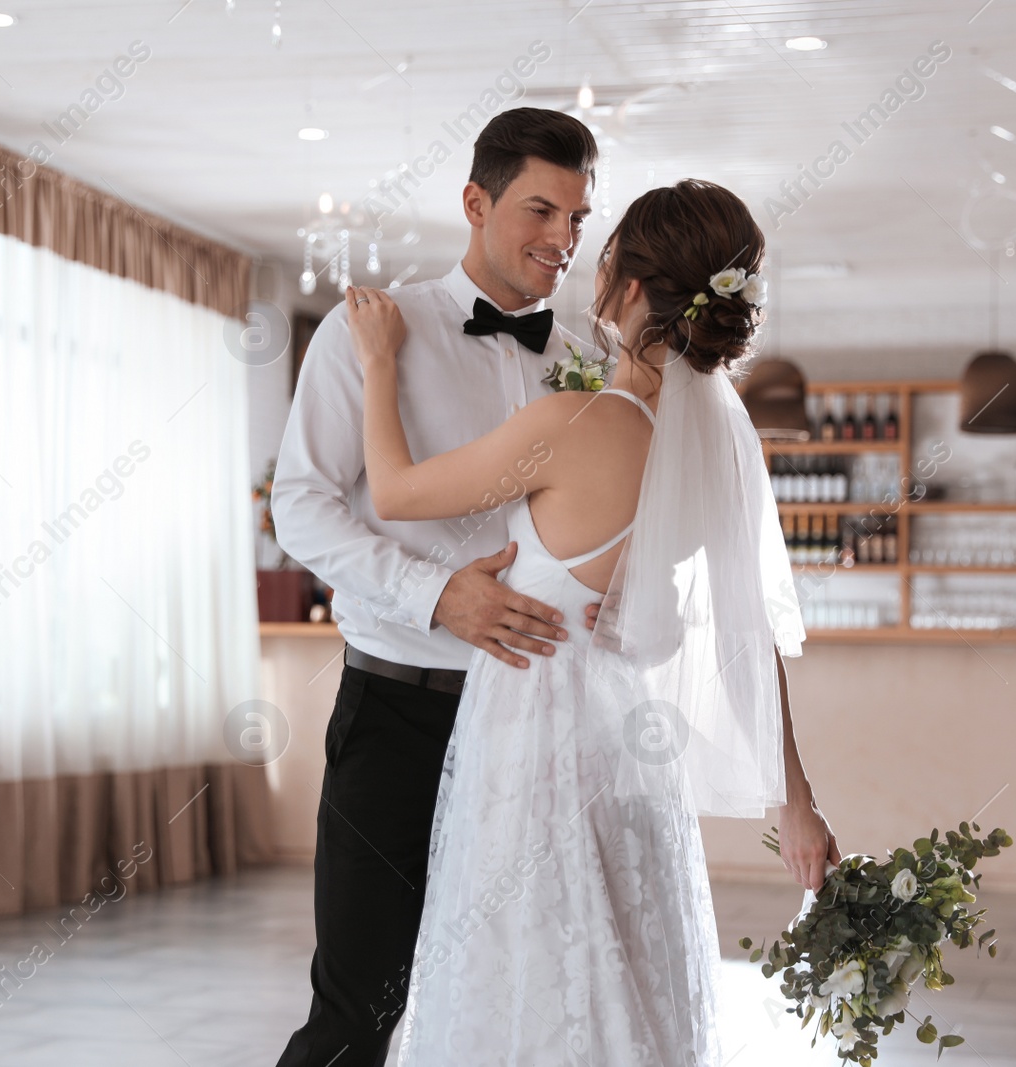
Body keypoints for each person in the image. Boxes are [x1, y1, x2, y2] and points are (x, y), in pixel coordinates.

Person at [340, 178, 840, 1062]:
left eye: (600, 253)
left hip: (533, 748)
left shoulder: (573, 424)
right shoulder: (712, 448)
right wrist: (799, 804)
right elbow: (746, 635)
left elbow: (395, 491)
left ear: (633, 289)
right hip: (630, 752)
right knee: (627, 977)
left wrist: (378, 361)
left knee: (522, 985)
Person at [270, 107, 602, 1067]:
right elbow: (301, 507)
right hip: (399, 712)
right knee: (359, 1009)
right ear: (474, 201)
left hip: (536, 720)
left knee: (519, 1001)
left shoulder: (585, 354)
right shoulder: (373, 330)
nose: (562, 240)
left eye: (579, 220)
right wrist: (433, 593)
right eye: (542, 210)